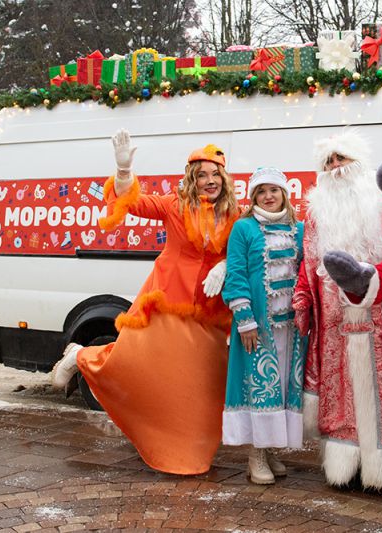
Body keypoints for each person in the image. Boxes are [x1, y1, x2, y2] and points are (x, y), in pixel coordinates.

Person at [50, 129, 239, 475]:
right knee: (136, 366)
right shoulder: (174, 205)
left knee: (199, 388)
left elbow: (252, 241)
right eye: (202, 175)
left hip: (209, 312)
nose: (210, 180)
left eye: (215, 174)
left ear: (224, 178)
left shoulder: (235, 214)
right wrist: (124, 171)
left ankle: (189, 450)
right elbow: (134, 202)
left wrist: (226, 264)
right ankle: (81, 356)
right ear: (192, 179)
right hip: (166, 300)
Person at [291, 131, 382, 492]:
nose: (336, 167)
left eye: (342, 158)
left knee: (381, 384)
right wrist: (302, 299)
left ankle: (380, 467)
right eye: (329, 161)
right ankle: (343, 465)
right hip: (334, 317)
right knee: (339, 389)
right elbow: (308, 262)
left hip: (380, 310)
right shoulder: (316, 213)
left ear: (359, 162)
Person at [221, 167, 306, 485]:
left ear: (284, 193)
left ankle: (269, 449)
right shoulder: (243, 228)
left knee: (281, 389)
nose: (268, 196)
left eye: (273, 190)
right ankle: (255, 454)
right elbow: (236, 274)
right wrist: (245, 321)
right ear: (253, 196)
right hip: (257, 328)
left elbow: (306, 272)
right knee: (260, 387)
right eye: (261, 191)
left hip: (291, 329)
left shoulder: (299, 229)